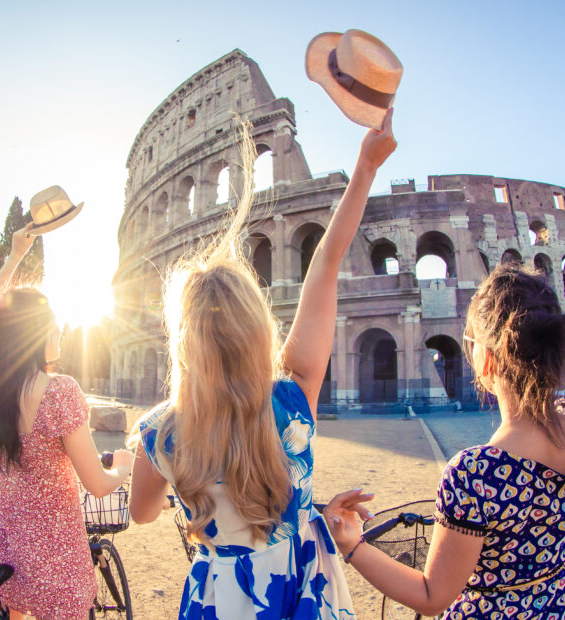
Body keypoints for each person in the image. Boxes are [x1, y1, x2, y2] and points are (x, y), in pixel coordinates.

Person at [322, 239, 565, 618]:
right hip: (556, 607)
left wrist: (353, 546)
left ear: (485, 359)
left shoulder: (473, 473)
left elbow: (432, 595)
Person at [128, 110, 397, 619]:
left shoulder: (159, 434)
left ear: (185, 343)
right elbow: (327, 262)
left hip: (220, 598)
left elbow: (141, 514)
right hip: (299, 589)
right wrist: (365, 166)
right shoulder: (292, 399)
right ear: (258, 330)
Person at [0, 223, 133, 620]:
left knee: (8, 609)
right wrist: (124, 470)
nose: (59, 327)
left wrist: (13, 257)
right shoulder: (59, 391)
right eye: (52, 321)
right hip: (53, 550)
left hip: (4, 534)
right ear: (37, 333)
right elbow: (95, 484)